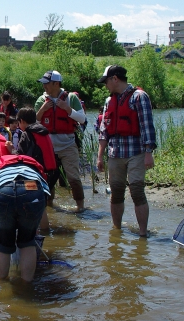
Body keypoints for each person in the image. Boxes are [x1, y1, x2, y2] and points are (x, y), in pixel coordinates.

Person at [96, 65, 157, 236]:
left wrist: (148, 153)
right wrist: (100, 156)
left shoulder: (139, 97)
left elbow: (147, 126)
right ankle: (117, 230)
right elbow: (104, 130)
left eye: (106, 81)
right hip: (115, 154)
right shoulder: (109, 101)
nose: (105, 85)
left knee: (137, 192)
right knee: (116, 193)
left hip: (136, 152)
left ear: (115, 79)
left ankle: (143, 233)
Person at [0, 154, 50, 282]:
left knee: (4, 242)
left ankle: (1, 285)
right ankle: (26, 286)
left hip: (2, 188)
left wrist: (2, 223)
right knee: (27, 241)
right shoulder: (34, 170)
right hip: (31, 187)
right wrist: (33, 226)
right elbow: (44, 199)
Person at [35, 71, 87, 212]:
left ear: (56, 83)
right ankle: (49, 207)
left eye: (47, 83)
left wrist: (67, 108)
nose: (44, 86)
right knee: (48, 180)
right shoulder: (41, 100)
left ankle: (80, 207)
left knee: (73, 178)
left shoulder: (71, 98)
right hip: (48, 147)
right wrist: (43, 109)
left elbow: (82, 119)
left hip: (68, 145)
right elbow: (34, 122)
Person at [15, 107, 56, 231]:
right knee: (41, 203)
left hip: (35, 174)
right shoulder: (43, 131)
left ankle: (38, 232)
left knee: (35, 203)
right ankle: (46, 231)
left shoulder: (27, 134)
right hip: (51, 174)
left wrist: (11, 150)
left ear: (22, 121)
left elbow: (21, 157)